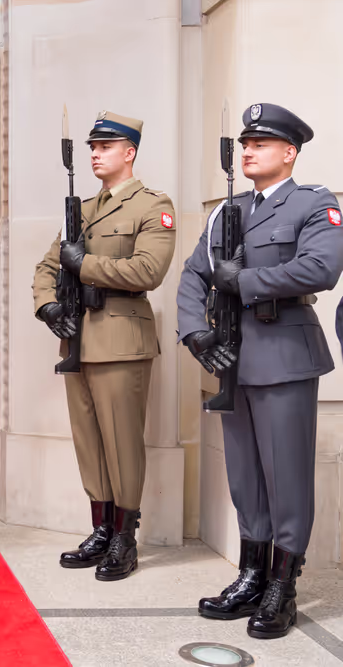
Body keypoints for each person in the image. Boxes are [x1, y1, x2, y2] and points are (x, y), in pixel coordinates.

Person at [179, 104, 343, 639]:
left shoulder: (314, 203)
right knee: (245, 476)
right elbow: (193, 274)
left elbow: (322, 267)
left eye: (262, 143)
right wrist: (194, 334)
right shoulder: (226, 211)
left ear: (290, 152)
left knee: (286, 477)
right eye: (245, 143)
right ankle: (251, 574)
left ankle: (283, 587)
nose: (248, 151)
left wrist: (244, 280)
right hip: (232, 358)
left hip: (285, 357)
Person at [32, 111, 176, 581]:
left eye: (106, 147)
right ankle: (100, 529)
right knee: (89, 443)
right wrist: (49, 306)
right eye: (93, 147)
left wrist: (86, 264)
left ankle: (124, 539)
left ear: (129, 152)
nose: (95, 154)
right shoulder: (84, 209)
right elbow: (48, 267)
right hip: (78, 341)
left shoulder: (152, 205)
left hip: (121, 341)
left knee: (121, 444)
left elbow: (147, 272)